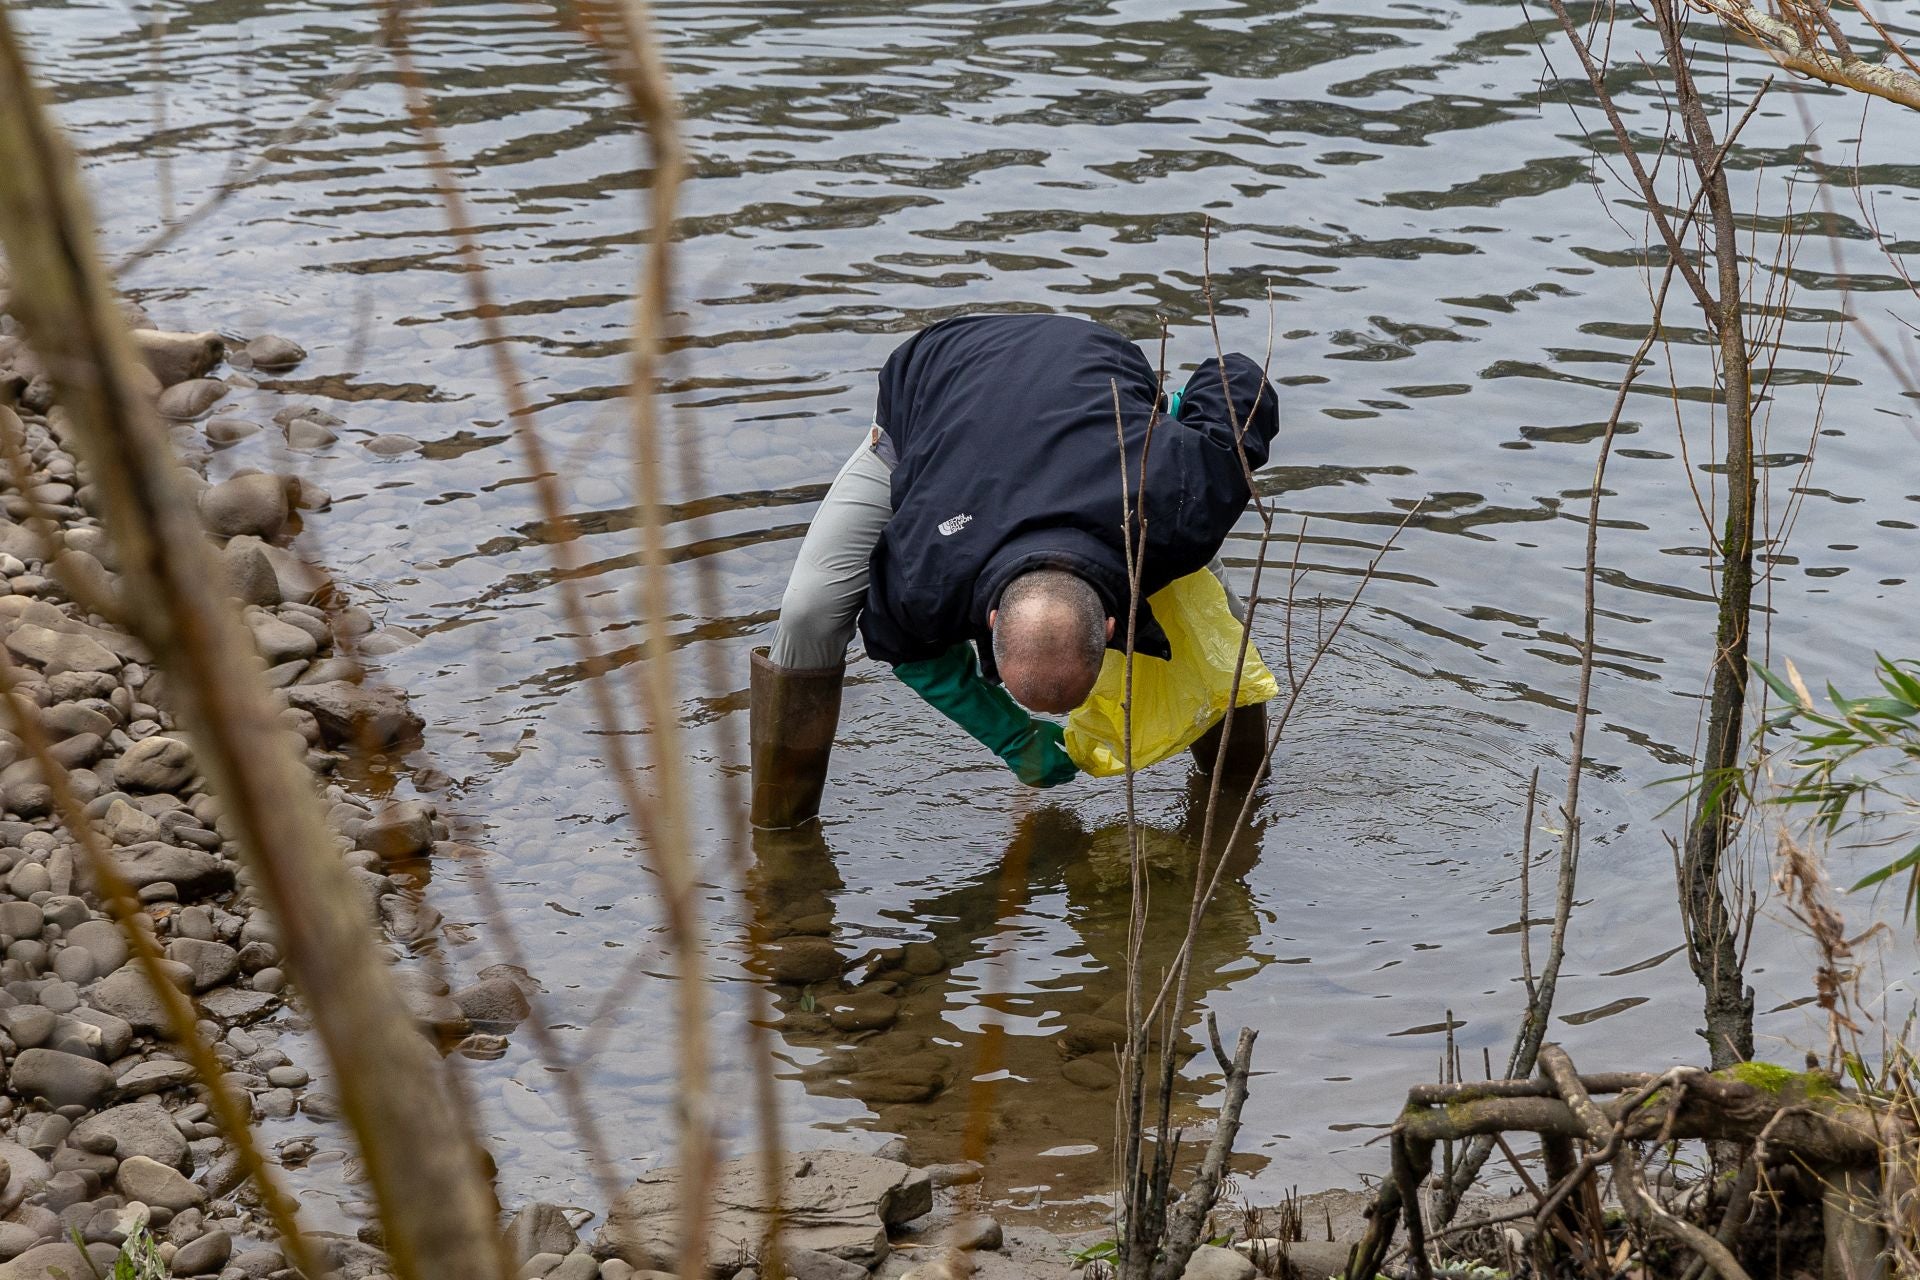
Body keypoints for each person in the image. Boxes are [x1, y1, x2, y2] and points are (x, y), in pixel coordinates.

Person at [750, 313, 1280, 829]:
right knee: (809, 613)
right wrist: (1009, 736)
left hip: (1091, 362)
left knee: (1221, 629)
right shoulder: (927, 565)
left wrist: (1179, 431)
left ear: (1113, 628)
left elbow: (1238, 378)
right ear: (993, 618)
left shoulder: (1178, 500)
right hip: (942, 376)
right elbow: (904, 645)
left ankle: (1237, 801)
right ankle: (781, 827)